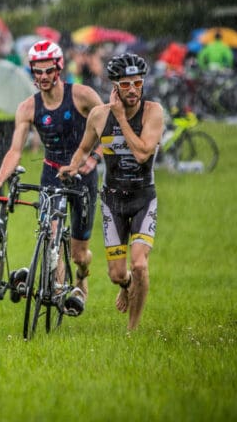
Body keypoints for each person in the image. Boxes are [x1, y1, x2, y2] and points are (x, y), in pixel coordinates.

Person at [0, 40, 104, 316]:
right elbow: (14, 151)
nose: (42, 77)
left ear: (59, 68)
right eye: (37, 71)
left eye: (48, 70)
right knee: (51, 232)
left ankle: (82, 275)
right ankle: (55, 288)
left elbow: (108, 129)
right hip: (52, 173)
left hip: (83, 178)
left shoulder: (82, 95)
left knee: (79, 253)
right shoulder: (28, 108)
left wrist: (92, 159)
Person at [58, 53, 164, 331]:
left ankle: (132, 330)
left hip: (143, 198)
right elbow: (83, 148)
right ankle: (126, 286)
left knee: (139, 264)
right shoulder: (98, 115)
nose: (133, 90)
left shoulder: (153, 112)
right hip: (112, 200)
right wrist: (72, 167)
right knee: (117, 273)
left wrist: (120, 117)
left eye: (138, 84)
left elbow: (142, 153)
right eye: (126, 84)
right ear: (115, 85)